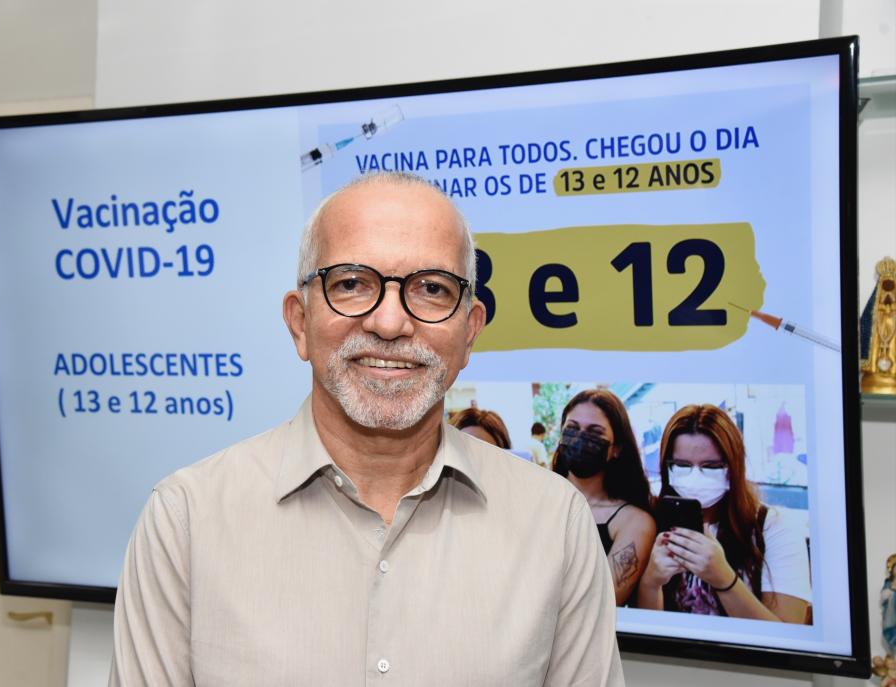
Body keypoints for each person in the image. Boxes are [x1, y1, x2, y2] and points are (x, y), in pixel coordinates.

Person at [109, 172, 624, 686]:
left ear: (469, 332)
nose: (390, 323)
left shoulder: (554, 525)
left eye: (431, 288)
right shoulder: (186, 522)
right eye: (351, 284)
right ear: (299, 322)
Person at [636, 404, 812, 623]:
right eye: (682, 465)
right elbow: (647, 630)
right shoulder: (650, 523)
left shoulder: (775, 528)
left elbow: (787, 633)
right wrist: (651, 582)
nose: (695, 476)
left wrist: (724, 579)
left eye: (711, 467)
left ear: (733, 468)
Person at [552, 389, 656, 606]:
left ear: (616, 449)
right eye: (572, 428)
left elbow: (601, 603)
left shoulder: (634, 521)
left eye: (595, 432)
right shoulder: (535, 498)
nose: (579, 438)